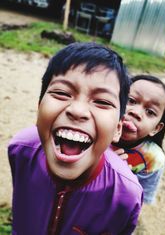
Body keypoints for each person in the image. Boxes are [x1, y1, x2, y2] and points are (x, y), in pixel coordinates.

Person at [8, 42, 143, 235]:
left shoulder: (126, 195)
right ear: (39, 108)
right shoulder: (20, 150)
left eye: (102, 102)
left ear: (117, 129)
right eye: (62, 93)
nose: (77, 111)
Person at [112, 74, 165, 204]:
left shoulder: (152, 159)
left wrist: (118, 174)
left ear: (156, 128)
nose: (136, 112)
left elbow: (139, 199)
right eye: (131, 100)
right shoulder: (93, 132)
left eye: (150, 112)